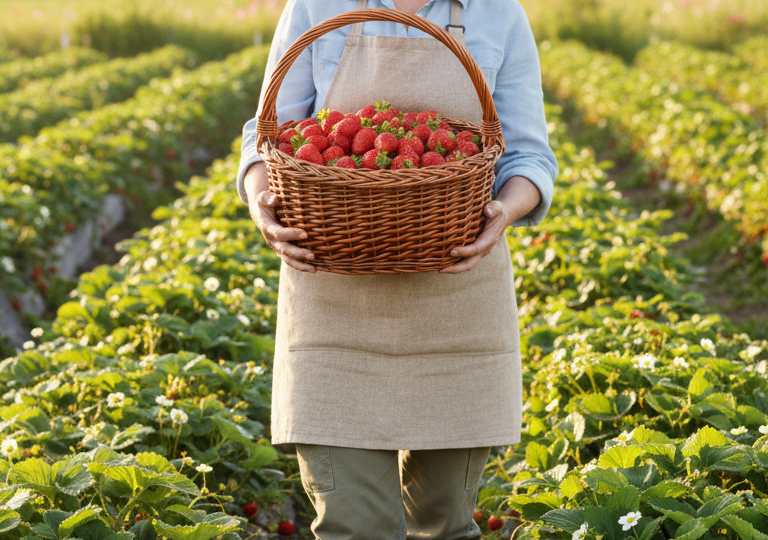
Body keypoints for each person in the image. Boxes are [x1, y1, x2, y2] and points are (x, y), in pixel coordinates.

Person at [236, 0, 558, 537]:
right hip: (335, 310)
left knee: (444, 525)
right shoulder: (316, 5)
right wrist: (261, 201)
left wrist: (503, 210)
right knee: (353, 526)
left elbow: (529, 156)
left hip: (455, 311)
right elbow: (267, 137)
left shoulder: (498, 12)